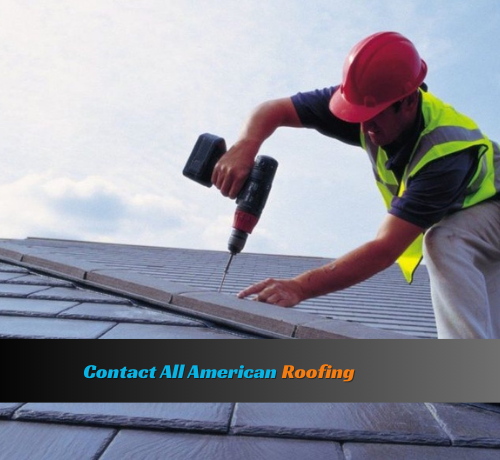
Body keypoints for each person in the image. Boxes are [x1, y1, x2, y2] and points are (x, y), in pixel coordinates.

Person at [211, 31, 500, 339]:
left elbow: (383, 250)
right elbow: (273, 109)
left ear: (409, 101)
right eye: (358, 114)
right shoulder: (367, 98)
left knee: (446, 241)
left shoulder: (444, 155)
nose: (363, 126)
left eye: (373, 117)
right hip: (482, 233)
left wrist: (299, 287)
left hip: (492, 213)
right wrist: (246, 145)